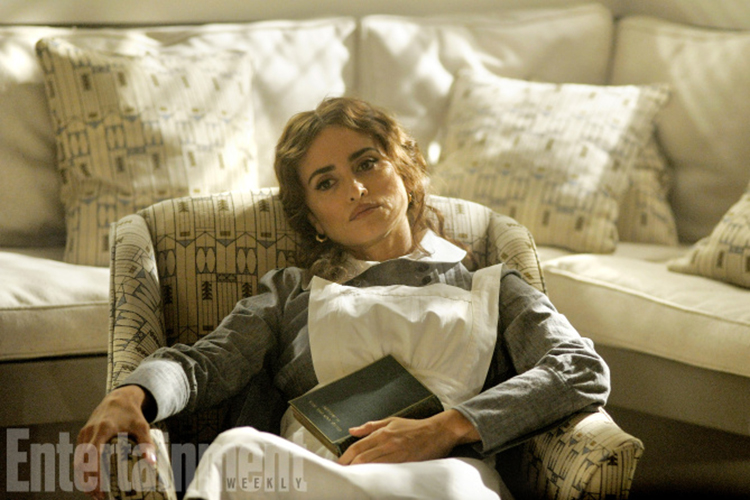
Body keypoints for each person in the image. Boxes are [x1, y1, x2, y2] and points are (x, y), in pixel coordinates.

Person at [76, 97, 610, 499]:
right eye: (327, 183)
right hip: (311, 479)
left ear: (405, 172)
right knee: (238, 453)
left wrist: (445, 429)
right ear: (313, 218)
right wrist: (133, 392)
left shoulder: (490, 285)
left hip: (441, 478)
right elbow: (203, 365)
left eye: (367, 163)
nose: (355, 188)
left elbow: (579, 368)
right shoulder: (291, 293)